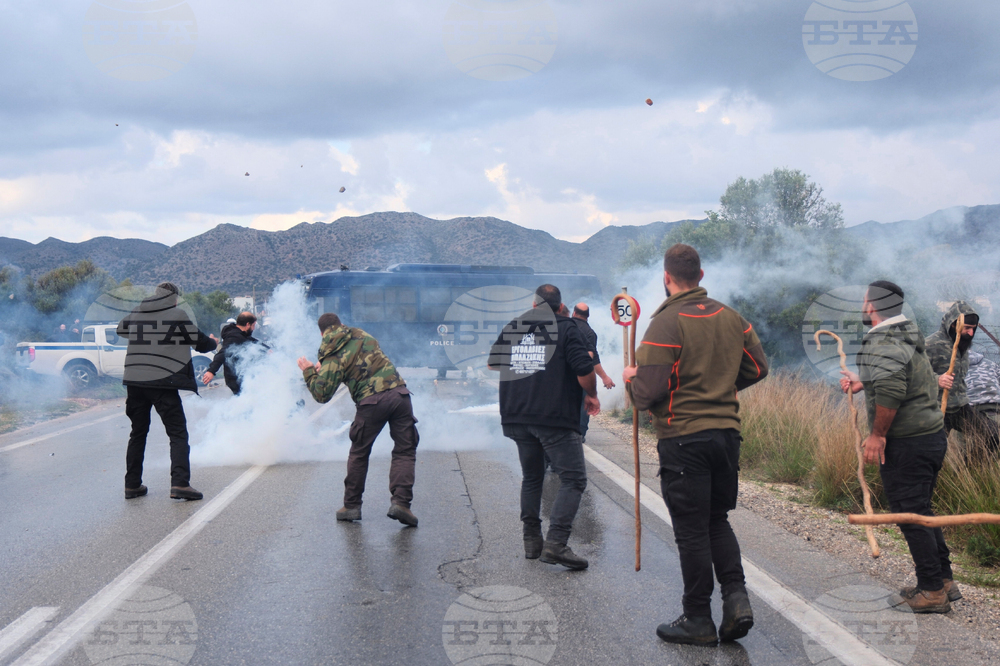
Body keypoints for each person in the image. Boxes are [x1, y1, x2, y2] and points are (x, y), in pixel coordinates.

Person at [624, 244, 768, 646]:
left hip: (684, 438)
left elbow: (649, 391)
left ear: (666, 279)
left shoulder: (666, 322)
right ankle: (737, 600)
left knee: (690, 531)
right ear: (700, 277)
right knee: (716, 520)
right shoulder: (732, 317)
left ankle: (697, 618)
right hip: (726, 436)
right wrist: (721, 387)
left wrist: (633, 379)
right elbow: (758, 367)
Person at [840, 280, 958, 614]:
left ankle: (932, 591)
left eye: (864, 300)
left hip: (908, 442)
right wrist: (865, 382)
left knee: (909, 513)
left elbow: (892, 390)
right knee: (922, 510)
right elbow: (909, 376)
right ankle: (943, 580)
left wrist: (877, 435)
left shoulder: (882, 341)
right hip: (931, 437)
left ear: (870, 306)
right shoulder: (906, 332)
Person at [488, 284, 599, 570]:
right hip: (552, 416)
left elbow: (493, 364)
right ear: (561, 306)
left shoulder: (516, 325)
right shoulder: (567, 327)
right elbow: (584, 369)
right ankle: (556, 544)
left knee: (532, 477)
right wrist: (593, 396)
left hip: (515, 415)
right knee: (573, 479)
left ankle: (532, 541)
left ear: (535, 305)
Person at [298, 313, 420, 527]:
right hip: (400, 394)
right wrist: (324, 365)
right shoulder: (361, 333)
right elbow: (358, 355)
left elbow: (322, 394)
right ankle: (401, 503)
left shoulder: (331, 354)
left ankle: (351, 506)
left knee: (359, 453)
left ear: (321, 333)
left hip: (371, 402)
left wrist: (309, 371)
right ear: (341, 324)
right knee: (405, 450)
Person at [117, 282, 217, 501]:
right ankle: (180, 484)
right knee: (177, 432)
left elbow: (121, 329)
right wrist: (214, 342)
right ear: (174, 298)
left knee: (138, 433)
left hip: (135, 381)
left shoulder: (138, 311)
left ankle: (132, 485)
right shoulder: (176, 314)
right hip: (162, 381)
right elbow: (201, 343)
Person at [925, 302, 1000, 453]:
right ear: (953, 325)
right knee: (933, 454)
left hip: (960, 407)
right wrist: (936, 380)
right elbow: (911, 375)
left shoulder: (963, 345)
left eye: (973, 329)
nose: (971, 333)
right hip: (935, 408)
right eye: (967, 328)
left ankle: (971, 470)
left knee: (993, 435)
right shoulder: (929, 345)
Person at [571, 303, 615, 440]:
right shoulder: (589, 333)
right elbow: (592, 359)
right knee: (584, 402)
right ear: (588, 316)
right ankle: (580, 434)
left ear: (573, 313)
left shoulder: (564, 327)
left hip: (563, 375)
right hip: (582, 375)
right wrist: (605, 377)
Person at [202, 311, 267, 394]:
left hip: (239, 377)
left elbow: (250, 340)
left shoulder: (238, 333)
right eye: (253, 325)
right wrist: (211, 371)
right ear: (247, 324)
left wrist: (267, 349)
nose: (254, 328)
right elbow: (223, 353)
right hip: (236, 378)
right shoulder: (235, 338)